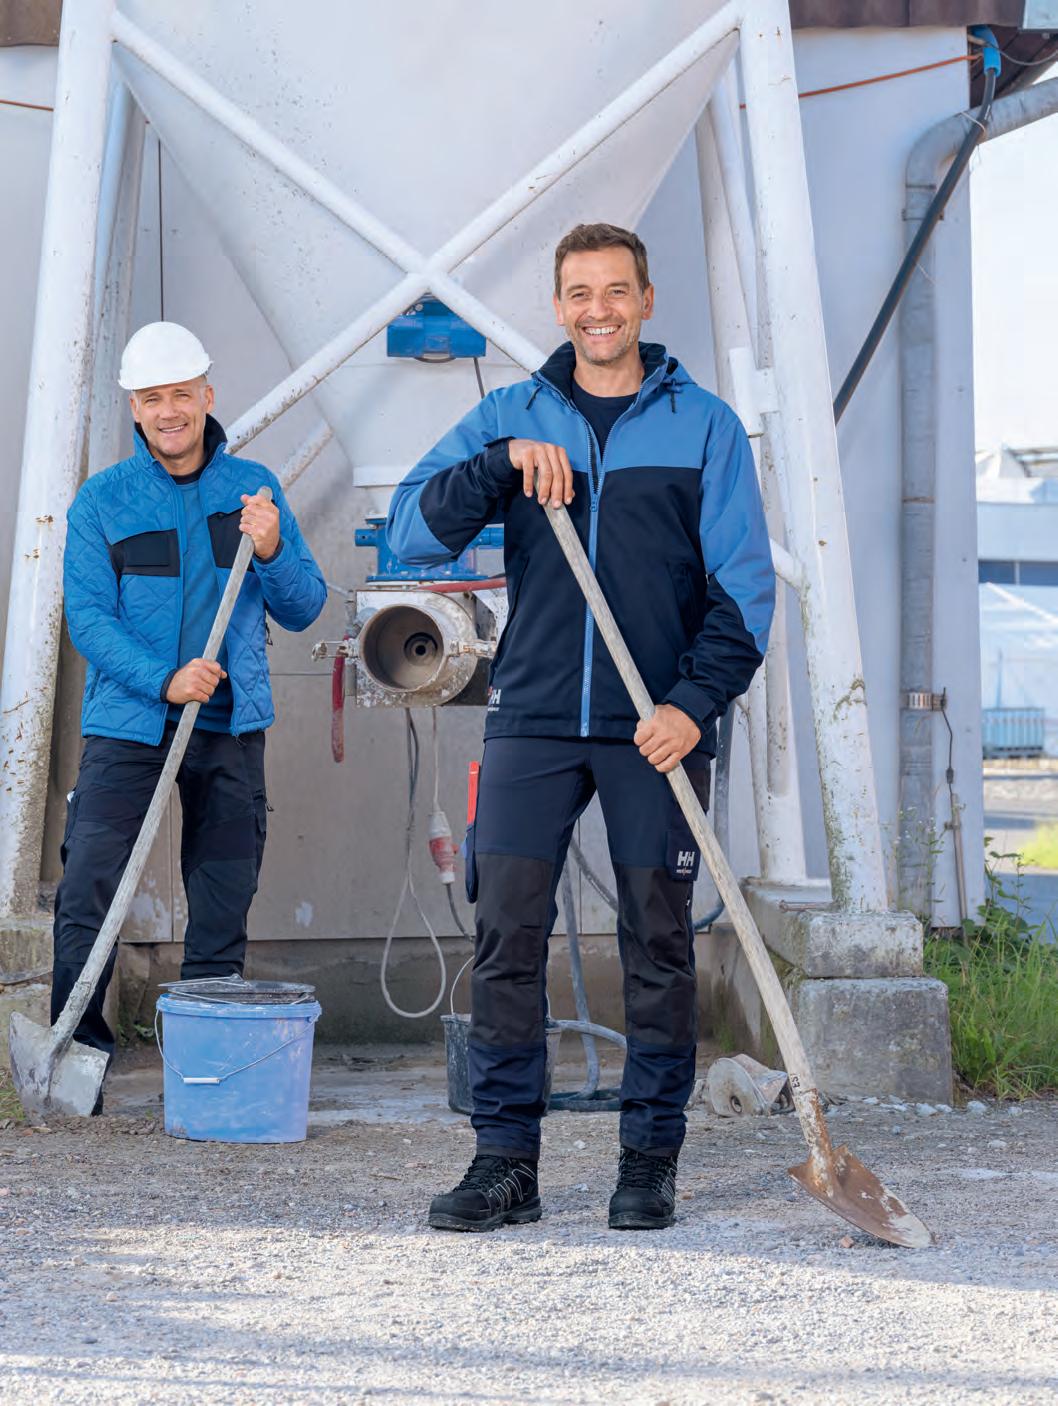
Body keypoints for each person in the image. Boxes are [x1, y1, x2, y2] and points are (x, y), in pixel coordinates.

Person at [387, 223, 775, 1231]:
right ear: (558, 307)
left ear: (645, 299)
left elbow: (744, 592)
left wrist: (690, 705)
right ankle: (504, 1162)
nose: (597, 309)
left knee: (657, 939)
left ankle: (648, 1161)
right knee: (506, 934)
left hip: (657, 722)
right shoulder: (513, 414)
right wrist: (501, 465)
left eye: (614, 291)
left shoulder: (705, 427)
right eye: (578, 293)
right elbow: (411, 532)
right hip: (535, 713)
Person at [51, 321, 326, 1096]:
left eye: (181, 394)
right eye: (152, 398)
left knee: (221, 897)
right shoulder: (103, 501)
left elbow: (304, 606)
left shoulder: (253, 491)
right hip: (130, 721)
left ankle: (204, 1073)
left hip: (228, 723)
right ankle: (77, 1060)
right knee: (89, 887)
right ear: (134, 409)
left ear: (207, 395)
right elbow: (89, 619)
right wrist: (163, 678)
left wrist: (271, 549)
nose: (168, 411)